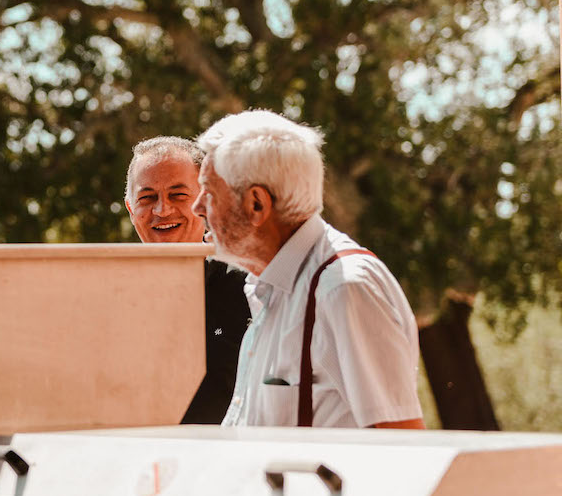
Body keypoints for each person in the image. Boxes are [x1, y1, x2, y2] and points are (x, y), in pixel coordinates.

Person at [192, 110, 424, 428]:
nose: (196, 206)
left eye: (209, 192)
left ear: (256, 204)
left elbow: (400, 449)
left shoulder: (344, 288)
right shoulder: (271, 286)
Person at [125, 136, 250, 424]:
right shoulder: (110, 296)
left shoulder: (249, 288)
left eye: (178, 195)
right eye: (147, 198)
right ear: (132, 210)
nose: (162, 210)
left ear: (206, 201)